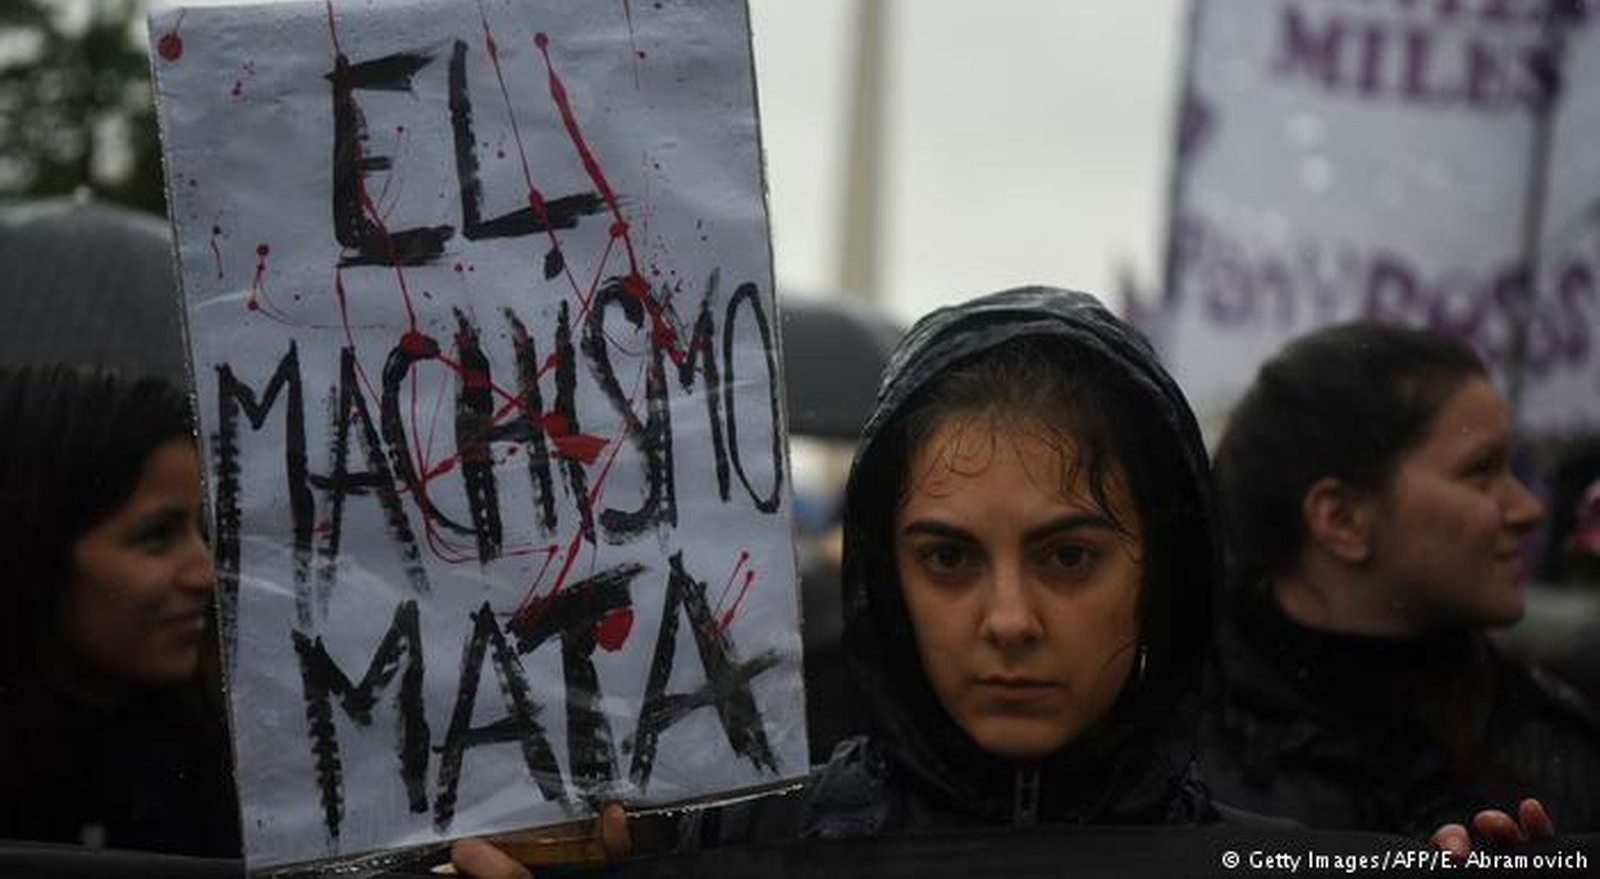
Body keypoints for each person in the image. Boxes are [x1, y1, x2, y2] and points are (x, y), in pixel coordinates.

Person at [451, 286, 1226, 874]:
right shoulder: (723, 845)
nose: (1010, 619)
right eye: (947, 559)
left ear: (1163, 569)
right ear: (883, 575)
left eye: (1067, 557)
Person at [1199, 322, 1600, 842]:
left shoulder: (1554, 744)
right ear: (1341, 520)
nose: (1529, 509)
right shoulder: (1166, 767)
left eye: (1515, 468)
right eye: (1482, 471)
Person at [0, 365, 240, 857]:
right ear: (34, 543)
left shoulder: (231, 775)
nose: (205, 573)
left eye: (202, 530)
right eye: (156, 536)